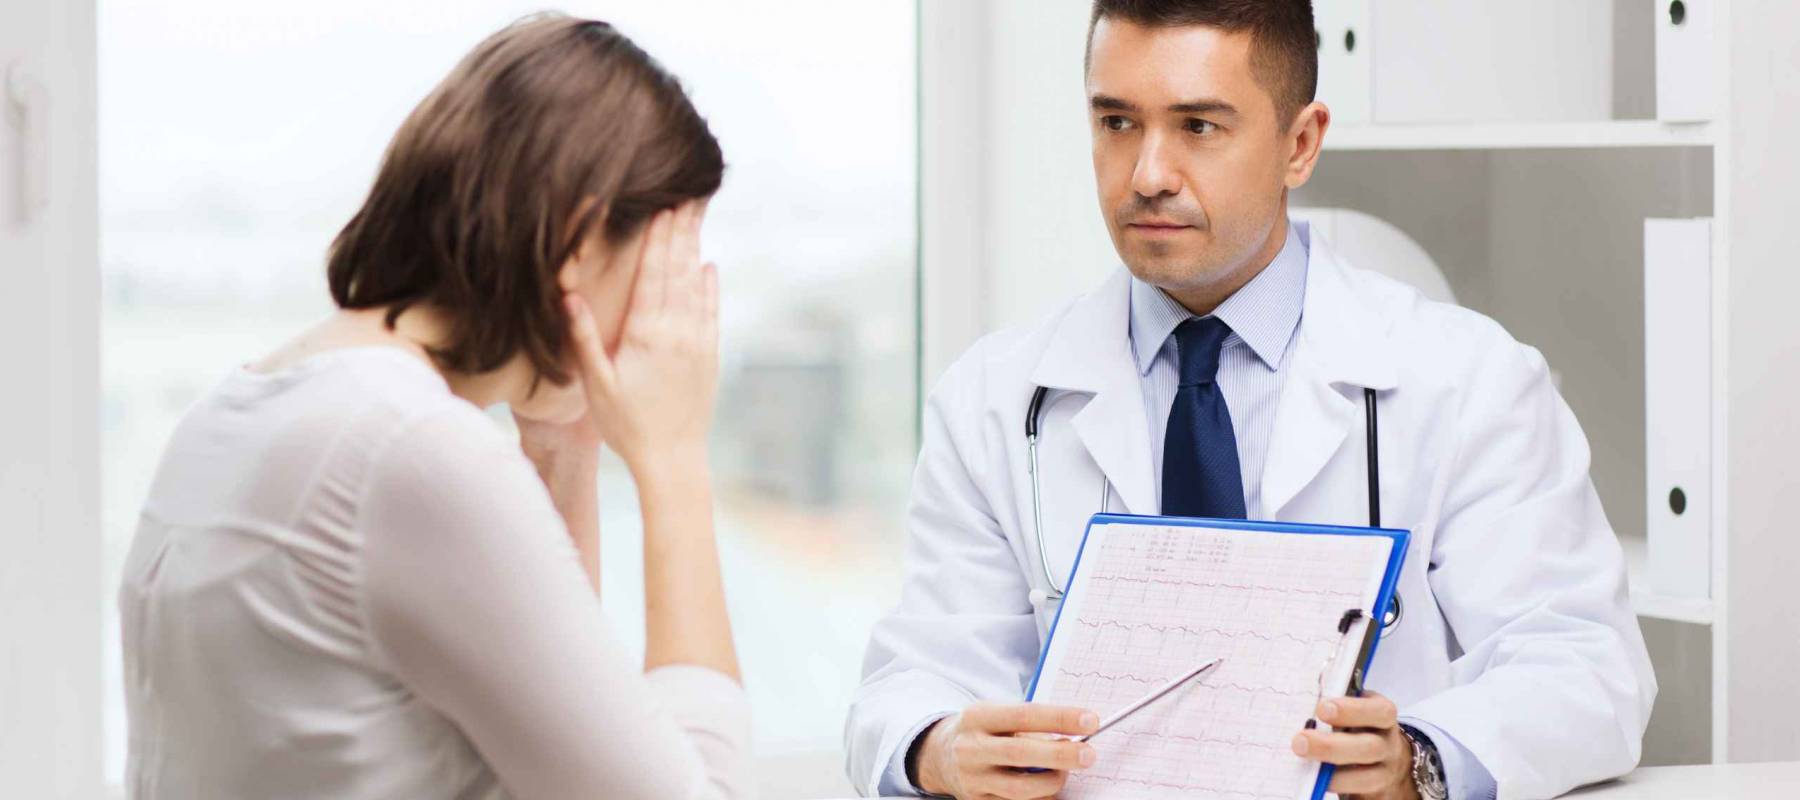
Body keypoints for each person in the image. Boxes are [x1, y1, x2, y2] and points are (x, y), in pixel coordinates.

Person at [846, 2, 1655, 799]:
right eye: (1117, 122)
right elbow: (913, 678)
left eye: (1198, 126)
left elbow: (1583, 666)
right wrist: (940, 748)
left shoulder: (1469, 379)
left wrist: (1416, 756)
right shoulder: (994, 397)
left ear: (1299, 144)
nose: (1147, 175)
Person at [118, 15, 748, 799]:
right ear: (582, 240)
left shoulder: (240, 411)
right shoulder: (408, 447)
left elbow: (551, 746)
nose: (670, 317)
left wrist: (564, 444)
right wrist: (676, 463)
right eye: (663, 267)